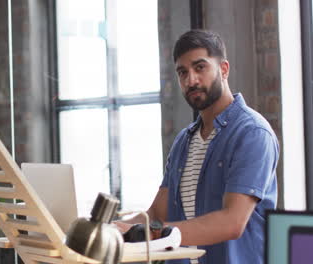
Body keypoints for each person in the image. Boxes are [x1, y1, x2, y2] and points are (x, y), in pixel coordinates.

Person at [116, 30, 279, 264]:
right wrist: (114, 229)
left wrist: (155, 233)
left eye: (199, 67)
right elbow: (156, 214)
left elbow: (232, 223)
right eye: (183, 72)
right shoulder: (184, 141)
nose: (190, 80)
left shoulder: (252, 133)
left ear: (223, 69)